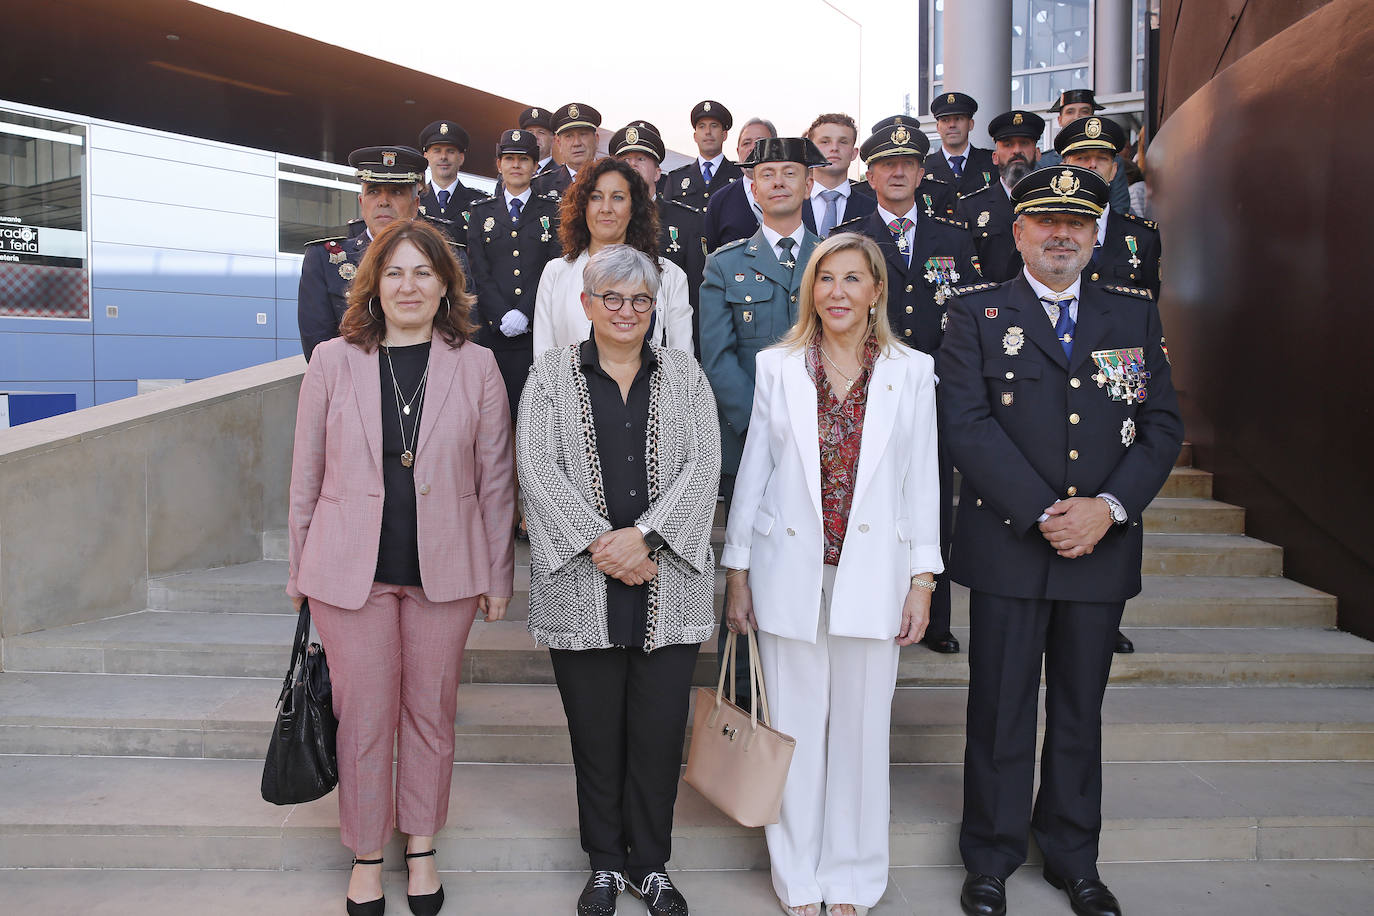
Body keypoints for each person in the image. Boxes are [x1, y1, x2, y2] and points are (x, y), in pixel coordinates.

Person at [938, 166, 1182, 916]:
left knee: (1080, 711)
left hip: (1100, 548)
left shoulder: (1132, 316)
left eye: (1077, 223)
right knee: (1000, 708)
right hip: (1012, 545)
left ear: (1095, 234)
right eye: (1046, 222)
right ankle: (991, 853)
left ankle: (1074, 856)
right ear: (1018, 233)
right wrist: (1047, 511)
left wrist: (1107, 508)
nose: (1061, 235)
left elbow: (1161, 426)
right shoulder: (975, 315)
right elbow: (966, 426)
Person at [287, 218, 516, 916]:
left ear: (445, 284)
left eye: (423, 272)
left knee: (430, 714)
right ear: (373, 286)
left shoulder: (475, 365)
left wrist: (497, 576)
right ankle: (364, 852)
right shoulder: (333, 360)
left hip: (444, 572)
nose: (409, 285)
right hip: (347, 573)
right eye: (395, 273)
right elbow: (306, 474)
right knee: (363, 719)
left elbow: (497, 479)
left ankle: (419, 847)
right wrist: (299, 571)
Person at [723, 232, 943, 916]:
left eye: (853, 279)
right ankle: (799, 879)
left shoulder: (912, 370)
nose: (838, 293)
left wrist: (923, 578)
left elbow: (922, 482)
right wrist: (737, 569)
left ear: (877, 289)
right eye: (826, 279)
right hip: (792, 571)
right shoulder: (778, 366)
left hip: (875, 574)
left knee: (860, 732)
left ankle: (851, 877)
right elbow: (754, 469)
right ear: (809, 291)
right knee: (796, 728)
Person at [517, 243, 721, 916]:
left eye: (640, 300)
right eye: (613, 298)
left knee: (660, 732)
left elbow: (703, 466)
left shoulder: (686, 375)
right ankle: (606, 863)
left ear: (654, 307)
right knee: (595, 733)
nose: (627, 311)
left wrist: (647, 539)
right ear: (587, 305)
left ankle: (650, 864)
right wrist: (604, 546)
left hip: (668, 582)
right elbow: (538, 470)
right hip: (585, 587)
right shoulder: (550, 377)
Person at [832, 124, 977, 655]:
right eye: (886, 164)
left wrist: (941, 372)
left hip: (936, 390)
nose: (897, 172)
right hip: (868, 386)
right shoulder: (853, 236)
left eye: (908, 164)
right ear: (868, 174)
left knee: (930, 498)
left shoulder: (954, 238)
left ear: (922, 172)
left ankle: (933, 618)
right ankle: (868, 601)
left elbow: (965, 318)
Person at [533, 158, 693, 356]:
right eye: (596, 197)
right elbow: (543, 357)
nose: (606, 208)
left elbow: (683, 358)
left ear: (634, 207)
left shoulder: (669, 275)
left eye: (618, 197)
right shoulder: (556, 273)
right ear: (583, 206)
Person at [465, 128, 563, 419]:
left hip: (536, 333)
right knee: (493, 417)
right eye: (509, 158)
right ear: (499, 165)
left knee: (534, 417)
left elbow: (553, 267)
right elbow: (478, 271)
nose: (516, 165)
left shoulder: (553, 212)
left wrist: (525, 312)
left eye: (524, 159)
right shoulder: (481, 212)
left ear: (535, 165)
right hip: (493, 334)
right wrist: (501, 314)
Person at [298, 145, 427, 361]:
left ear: (415, 205)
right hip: (352, 388)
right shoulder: (324, 260)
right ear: (362, 203)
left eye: (396, 192)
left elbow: (458, 336)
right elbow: (318, 348)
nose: (383, 201)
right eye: (374, 191)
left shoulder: (444, 258)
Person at [610, 123, 707, 353]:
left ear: (657, 172)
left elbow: (696, 291)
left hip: (667, 342)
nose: (632, 165)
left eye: (640, 159)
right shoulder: (604, 220)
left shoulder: (687, 221)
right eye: (625, 161)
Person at [1055, 115, 1161, 302]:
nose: (1092, 165)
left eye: (1101, 159)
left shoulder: (1144, 237)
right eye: (1082, 157)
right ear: (1064, 168)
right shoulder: (1045, 232)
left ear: (1113, 171)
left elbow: (1149, 311)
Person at [956, 110, 1046, 284]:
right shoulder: (970, 207)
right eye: (1008, 144)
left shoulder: (1052, 203)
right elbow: (965, 269)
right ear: (995, 157)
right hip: (991, 306)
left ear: (1037, 153)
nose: (1017, 151)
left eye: (1024, 143)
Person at [1037, 90, 1132, 215]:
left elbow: (1120, 206)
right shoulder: (1044, 162)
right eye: (1070, 112)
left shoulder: (1115, 161)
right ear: (1060, 120)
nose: (1077, 116)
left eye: (1085, 111)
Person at [703, 116, 777, 251]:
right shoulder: (720, 201)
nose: (752, 148)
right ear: (738, 151)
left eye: (760, 142)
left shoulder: (791, 194)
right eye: (746, 143)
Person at [802, 112, 876, 236]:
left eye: (843, 142)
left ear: (854, 153)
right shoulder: (790, 204)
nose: (834, 148)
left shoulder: (873, 210)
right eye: (825, 142)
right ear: (810, 152)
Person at [665, 100, 741, 209]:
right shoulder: (676, 179)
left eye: (714, 126)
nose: (708, 132)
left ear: (724, 135)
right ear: (695, 136)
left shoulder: (739, 175)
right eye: (702, 126)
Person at [924, 92, 998, 197]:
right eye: (945, 120)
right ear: (938, 127)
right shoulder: (924, 167)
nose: (952, 125)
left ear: (971, 124)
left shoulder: (992, 163)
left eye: (958, 119)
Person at [417, 119, 485, 230]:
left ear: (461, 158)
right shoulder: (414, 200)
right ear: (426, 157)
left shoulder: (480, 203)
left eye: (450, 151)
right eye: (437, 151)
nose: (443, 157)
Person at [531, 102, 603, 200]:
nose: (576, 143)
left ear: (596, 139)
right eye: (569, 136)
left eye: (583, 134)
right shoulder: (540, 185)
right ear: (559, 143)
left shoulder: (614, 180)